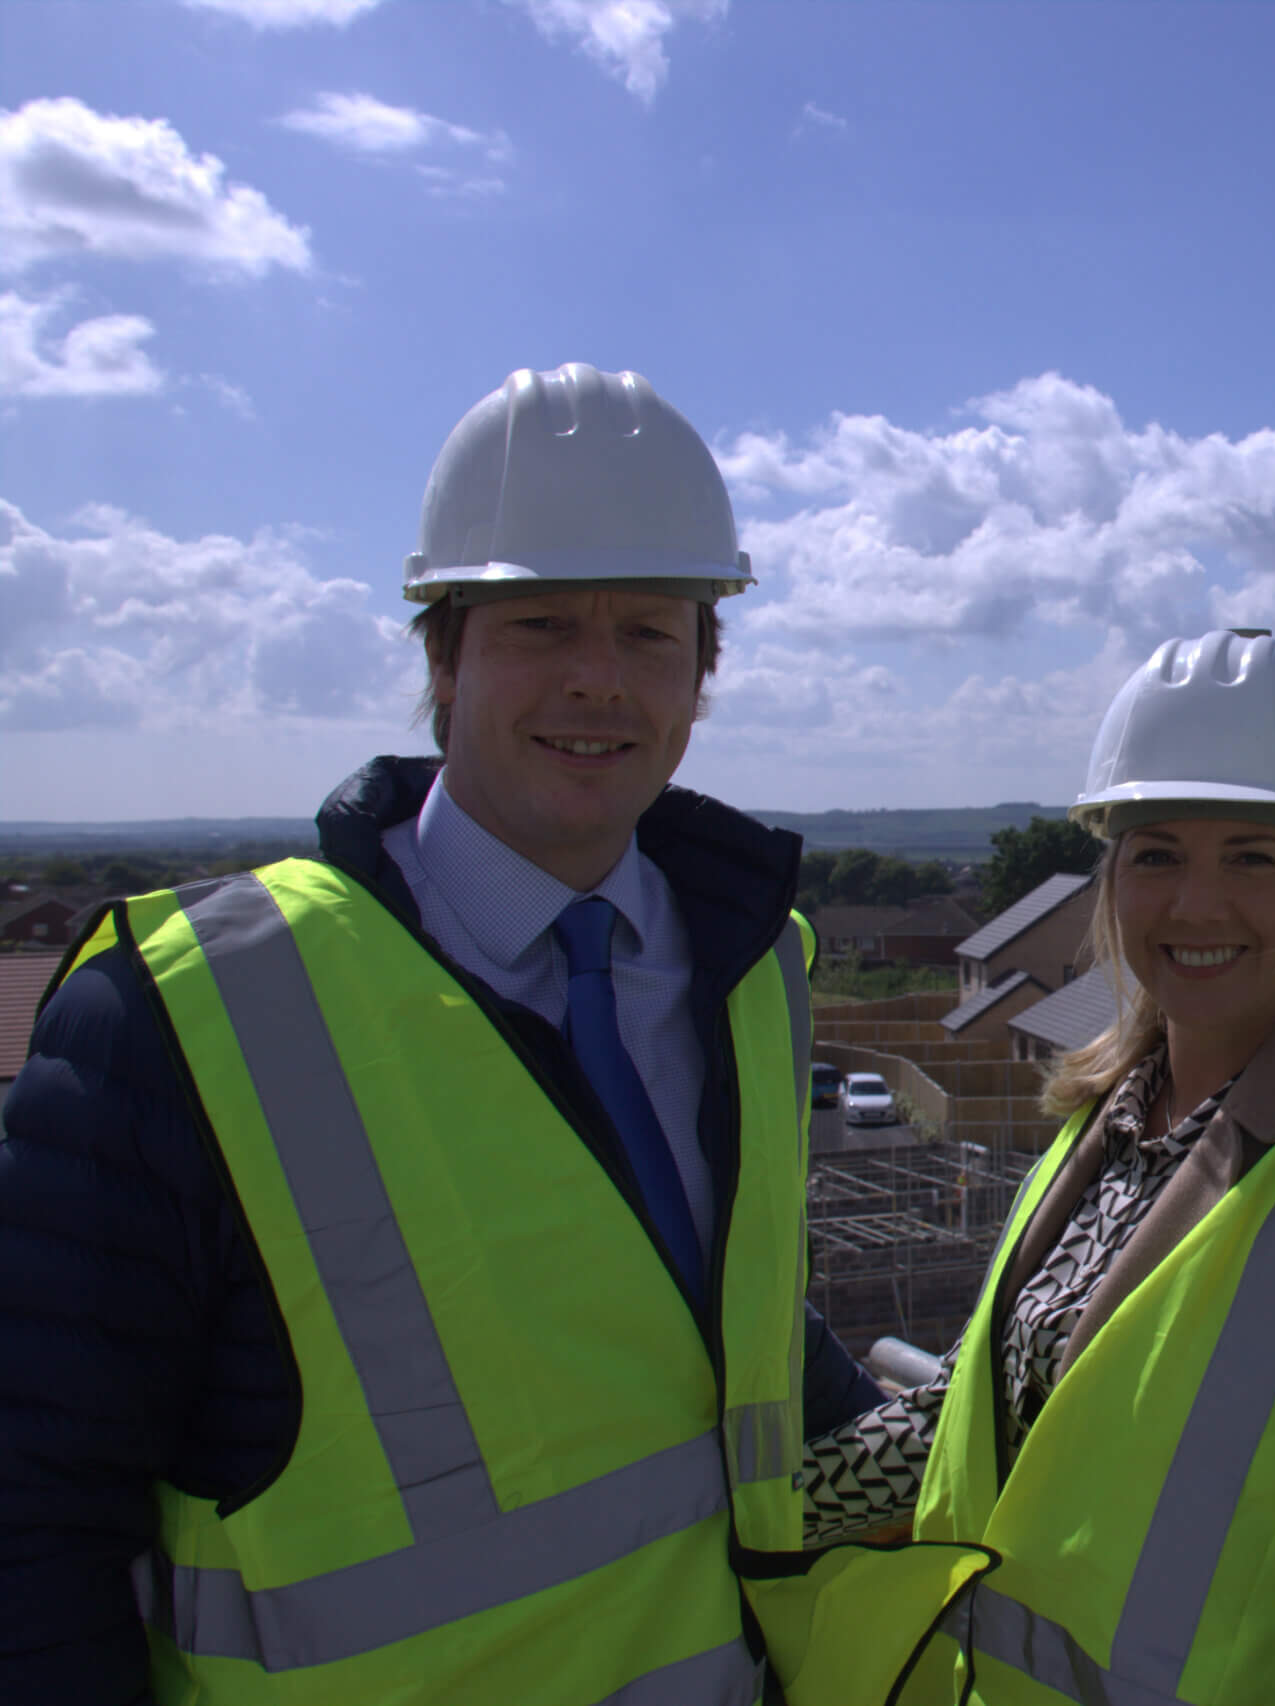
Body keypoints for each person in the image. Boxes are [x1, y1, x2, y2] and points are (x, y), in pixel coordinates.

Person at [0, 362, 893, 1703]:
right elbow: (33, 1522)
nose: (599, 681)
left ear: (703, 675)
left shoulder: (755, 968)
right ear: (443, 653)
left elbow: (717, 1332)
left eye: (650, 632)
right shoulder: (179, 1016)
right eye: (541, 625)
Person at [797, 630, 1275, 1705]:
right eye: (1156, 852)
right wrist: (761, 1515)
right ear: (1110, 876)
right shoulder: (1095, 1134)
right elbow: (972, 1411)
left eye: (1251, 854)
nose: (1195, 905)